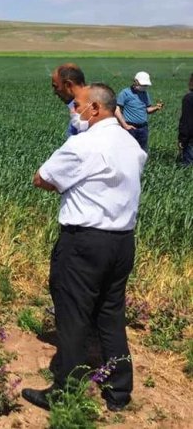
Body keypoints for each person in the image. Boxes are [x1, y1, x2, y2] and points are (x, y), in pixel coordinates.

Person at [23, 83, 147, 412]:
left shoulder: (84, 144)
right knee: (110, 315)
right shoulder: (129, 143)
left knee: (73, 314)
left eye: (78, 105)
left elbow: (42, 178)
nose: (74, 110)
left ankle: (65, 391)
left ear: (95, 109)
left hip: (84, 242)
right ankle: (119, 392)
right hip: (122, 242)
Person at [114, 71, 164, 152]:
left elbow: (147, 109)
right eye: (143, 85)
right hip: (130, 127)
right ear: (136, 82)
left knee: (142, 151)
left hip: (143, 128)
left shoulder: (145, 93)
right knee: (129, 151)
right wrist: (125, 125)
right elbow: (117, 110)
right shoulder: (125, 93)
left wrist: (156, 107)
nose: (144, 87)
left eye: (146, 85)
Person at [50, 63, 87, 137]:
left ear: (68, 85)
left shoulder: (84, 111)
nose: (55, 92)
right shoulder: (99, 102)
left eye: (56, 87)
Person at [178, 72, 193, 166]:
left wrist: (182, 139)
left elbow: (187, 122)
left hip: (191, 141)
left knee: (188, 168)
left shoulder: (189, 98)